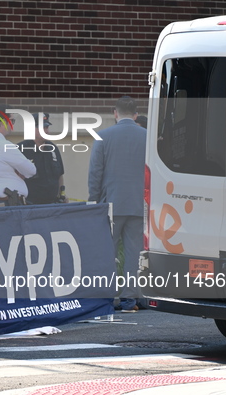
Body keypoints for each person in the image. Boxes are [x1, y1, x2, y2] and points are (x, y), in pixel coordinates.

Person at [88, 96, 146, 312]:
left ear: (115, 113)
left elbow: (96, 172)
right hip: (138, 204)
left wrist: (94, 200)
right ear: (136, 114)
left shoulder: (103, 136)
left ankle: (106, 296)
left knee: (107, 252)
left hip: (111, 203)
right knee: (134, 253)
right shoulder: (147, 137)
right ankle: (129, 298)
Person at [0, 105, 36, 207]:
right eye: (12, 121)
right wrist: (18, 171)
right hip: (6, 205)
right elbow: (31, 170)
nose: (12, 126)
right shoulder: (3, 145)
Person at [18, 113, 67, 204]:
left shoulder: (53, 149)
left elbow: (59, 175)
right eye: (43, 128)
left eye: (47, 128)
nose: (47, 131)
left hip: (53, 205)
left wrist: (62, 195)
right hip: (30, 206)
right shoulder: (21, 149)